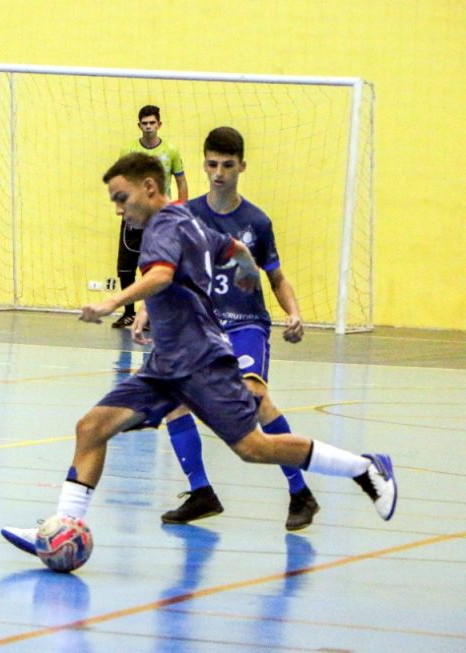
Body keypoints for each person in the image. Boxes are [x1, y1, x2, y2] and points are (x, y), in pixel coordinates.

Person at [1, 152, 396, 561]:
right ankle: (61, 526)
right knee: (91, 428)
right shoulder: (190, 221)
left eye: (122, 198)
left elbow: (160, 275)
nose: (119, 210)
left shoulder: (162, 226)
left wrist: (113, 302)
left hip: (201, 362)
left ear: (149, 187)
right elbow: (237, 247)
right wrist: (244, 267)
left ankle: (364, 468)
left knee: (253, 447)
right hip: (167, 364)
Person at [134, 127, 319, 531]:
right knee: (175, 402)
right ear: (204, 165)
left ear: (242, 167)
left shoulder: (255, 222)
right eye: (213, 164)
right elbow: (165, 272)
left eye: (228, 166)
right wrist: (146, 312)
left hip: (245, 325)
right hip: (199, 328)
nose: (219, 173)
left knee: (255, 399)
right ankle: (201, 492)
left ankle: (299, 491)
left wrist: (294, 311)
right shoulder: (185, 216)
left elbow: (276, 277)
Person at [112, 105, 188, 329]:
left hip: (161, 218)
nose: (148, 127)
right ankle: (128, 312)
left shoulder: (171, 151)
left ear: (159, 125)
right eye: (144, 124)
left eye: (152, 123)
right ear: (139, 126)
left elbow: (181, 181)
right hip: (134, 216)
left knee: (156, 266)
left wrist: (182, 210)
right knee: (126, 266)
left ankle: (152, 315)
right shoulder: (128, 150)